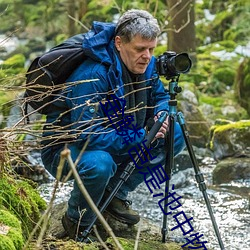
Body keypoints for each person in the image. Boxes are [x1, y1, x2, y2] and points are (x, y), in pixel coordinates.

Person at [41, 9, 186, 241]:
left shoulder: (145, 64)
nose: (147, 56)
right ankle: (76, 221)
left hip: (120, 136)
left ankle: (115, 194)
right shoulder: (93, 75)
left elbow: (159, 96)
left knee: (175, 132)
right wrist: (142, 135)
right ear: (119, 43)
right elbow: (87, 135)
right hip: (68, 149)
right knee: (100, 164)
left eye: (152, 49)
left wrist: (162, 114)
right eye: (140, 49)